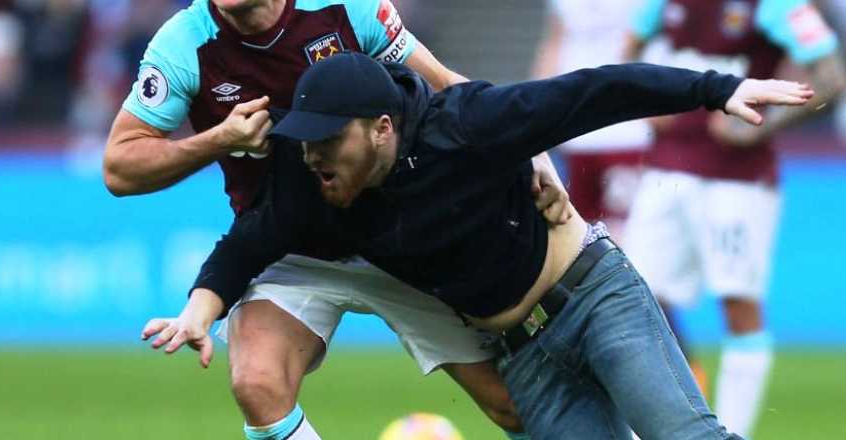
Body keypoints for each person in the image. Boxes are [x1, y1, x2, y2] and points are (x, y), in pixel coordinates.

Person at [188, 52, 813, 439]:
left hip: (595, 301)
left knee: (686, 437)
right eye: (305, 139)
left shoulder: (467, 123)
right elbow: (249, 242)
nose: (312, 154)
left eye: (327, 139)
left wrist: (717, 90)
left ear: (381, 129)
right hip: (523, 358)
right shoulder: (320, 190)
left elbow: (596, 91)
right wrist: (201, 307)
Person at [103, 1, 570, 438]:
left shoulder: (347, 8)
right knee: (257, 382)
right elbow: (119, 167)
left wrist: (529, 150)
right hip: (288, 246)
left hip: (399, 236)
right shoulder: (185, 42)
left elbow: (447, 85)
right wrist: (219, 139)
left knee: (512, 405)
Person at [621, 0, 846, 437]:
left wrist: (759, 126)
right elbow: (629, 44)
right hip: (665, 171)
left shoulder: (775, 5)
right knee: (631, 303)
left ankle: (731, 433)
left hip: (736, 179)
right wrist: (641, 100)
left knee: (738, 305)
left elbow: (834, 75)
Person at [530, 0, 651, 231]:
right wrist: (538, 108)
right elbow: (555, 41)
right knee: (577, 228)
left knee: (625, 229)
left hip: (627, 131)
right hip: (575, 130)